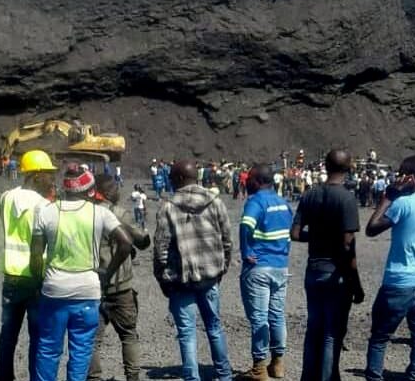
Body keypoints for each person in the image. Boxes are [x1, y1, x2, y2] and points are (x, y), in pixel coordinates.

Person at [30, 165, 133, 381]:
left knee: (48, 349)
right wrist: (106, 273)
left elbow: (36, 256)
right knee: (80, 352)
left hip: (54, 289)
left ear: (64, 189)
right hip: (88, 290)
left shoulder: (46, 211)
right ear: (90, 190)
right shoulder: (100, 212)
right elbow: (125, 243)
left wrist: (39, 283)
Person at [363, 155, 415, 381]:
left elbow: (371, 228)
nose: (398, 179)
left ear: (410, 178)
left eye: (401, 175)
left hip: (398, 282)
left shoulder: (402, 204)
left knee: (380, 337)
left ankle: (374, 377)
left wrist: (389, 196)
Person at [153, 160, 233, 381]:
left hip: (180, 282)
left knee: (187, 334)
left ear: (178, 179)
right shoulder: (215, 201)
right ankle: (224, 375)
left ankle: (192, 378)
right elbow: (227, 239)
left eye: (171, 177)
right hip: (210, 278)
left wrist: (162, 278)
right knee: (214, 328)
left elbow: (161, 248)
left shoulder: (168, 207)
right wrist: (222, 269)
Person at [290, 150, 364, 381]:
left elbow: (295, 234)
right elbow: (347, 246)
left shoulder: (310, 194)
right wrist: (356, 284)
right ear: (349, 167)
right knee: (332, 334)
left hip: (313, 270)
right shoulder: (347, 198)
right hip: (336, 274)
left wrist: (317, 238)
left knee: (314, 329)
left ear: (324, 165)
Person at [0, 150, 58, 381]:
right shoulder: (44, 205)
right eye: (48, 174)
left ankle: (3, 377)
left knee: (8, 333)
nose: (52, 179)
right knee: (38, 335)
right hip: (35, 276)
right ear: (35, 174)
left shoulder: (5, 198)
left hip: (11, 275)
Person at [88, 175, 151, 381]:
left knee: (92, 341)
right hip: (119, 286)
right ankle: (132, 378)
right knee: (128, 336)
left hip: (91, 286)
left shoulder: (84, 213)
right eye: (115, 188)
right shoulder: (118, 214)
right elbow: (142, 241)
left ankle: (93, 378)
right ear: (106, 191)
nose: (119, 192)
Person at [237, 164, 294, 380]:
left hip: (259, 266)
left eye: (250, 178)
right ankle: (278, 363)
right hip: (280, 266)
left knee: (260, 318)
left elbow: (246, 225)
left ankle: (259, 367)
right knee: (277, 315)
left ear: (258, 181)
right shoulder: (283, 203)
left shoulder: (256, 201)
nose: (246, 181)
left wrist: (245, 251)